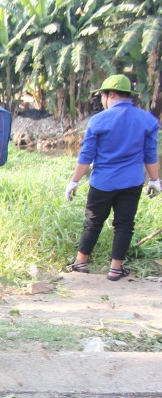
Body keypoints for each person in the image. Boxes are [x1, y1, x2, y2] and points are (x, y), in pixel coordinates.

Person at [64, 74, 160, 281]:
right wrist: (154, 180)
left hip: (103, 182)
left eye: (102, 96)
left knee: (93, 222)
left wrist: (74, 181)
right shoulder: (147, 120)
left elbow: (86, 156)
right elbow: (150, 154)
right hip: (132, 181)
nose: (101, 100)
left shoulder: (98, 120)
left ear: (111, 95)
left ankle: (80, 262)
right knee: (125, 223)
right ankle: (115, 269)